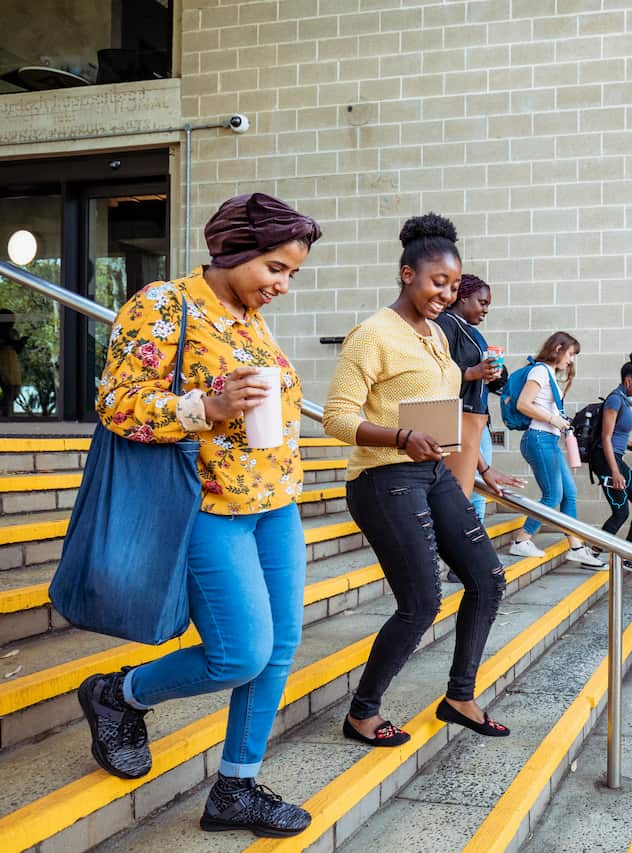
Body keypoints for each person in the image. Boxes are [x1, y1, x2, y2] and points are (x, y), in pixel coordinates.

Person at [78, 193, 322, 837]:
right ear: (232, 249)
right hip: (208, 505)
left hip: (275, 505)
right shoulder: (165, 304)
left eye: (292, 274)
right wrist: (203, 409)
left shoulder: (249, 318)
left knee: (280, 649)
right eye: (275, 268)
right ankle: (119, 694)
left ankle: (236, 787)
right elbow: (118, 403)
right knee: (240, 654)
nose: (283, 285)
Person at [323, 213, 525, 748]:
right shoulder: (372, 335)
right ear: (407, 273)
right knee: (421, 602)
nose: (447, 293)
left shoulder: (437, 333)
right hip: (383, 476)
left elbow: (443, 406)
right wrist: (399, 437)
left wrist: (477, 463)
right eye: (439, 282)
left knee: (487, 578)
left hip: (431, 469)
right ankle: (361, 713)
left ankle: (460, 697)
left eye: (455, 285)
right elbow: (336, 417)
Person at [507, 331, 605, 568]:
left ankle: (577, 547)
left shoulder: (548, 373)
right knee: (552, 495)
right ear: (558, 348)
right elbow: (523, 404)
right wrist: (554, 419)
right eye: (571, 354)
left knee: (569, 493)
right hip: (539, 438)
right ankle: (522, 540)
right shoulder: (540, 370)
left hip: (548, 439)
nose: (571, 360)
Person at [437, 273, 506, 521]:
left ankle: (470, 542)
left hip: (476, 417)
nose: (486, 309)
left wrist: (496, 373)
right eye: (482, 302)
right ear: (463, 298)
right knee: (467, 493)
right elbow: (438, 370)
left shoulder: (471, 330)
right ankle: (468, 544)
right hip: (457, 417)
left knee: (474, 491)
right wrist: (473, 372)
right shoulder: (445, 322)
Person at [590, 350, 632, 575]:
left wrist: (625, 442)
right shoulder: (615, 400)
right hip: (606, 460)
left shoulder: (623, 400)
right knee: (622, 512)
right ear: (628, 381)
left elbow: (616, 433)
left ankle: (613, 554)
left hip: (614, 457)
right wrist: (615, 472)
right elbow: (606, 437)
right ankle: (596, 554)